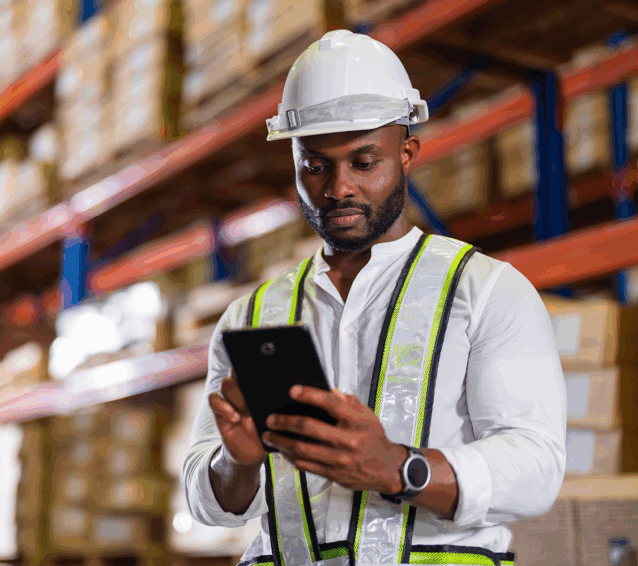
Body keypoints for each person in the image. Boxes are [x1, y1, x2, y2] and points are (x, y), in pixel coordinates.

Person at [180, 30, 566, 566]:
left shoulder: (485, 289)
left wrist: (398, 468)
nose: (338, 188)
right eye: (315, 166)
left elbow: (536, 468)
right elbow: (210, 503)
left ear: (406, 154)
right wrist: (237, 461)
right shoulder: (250, 316)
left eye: (364, 162)